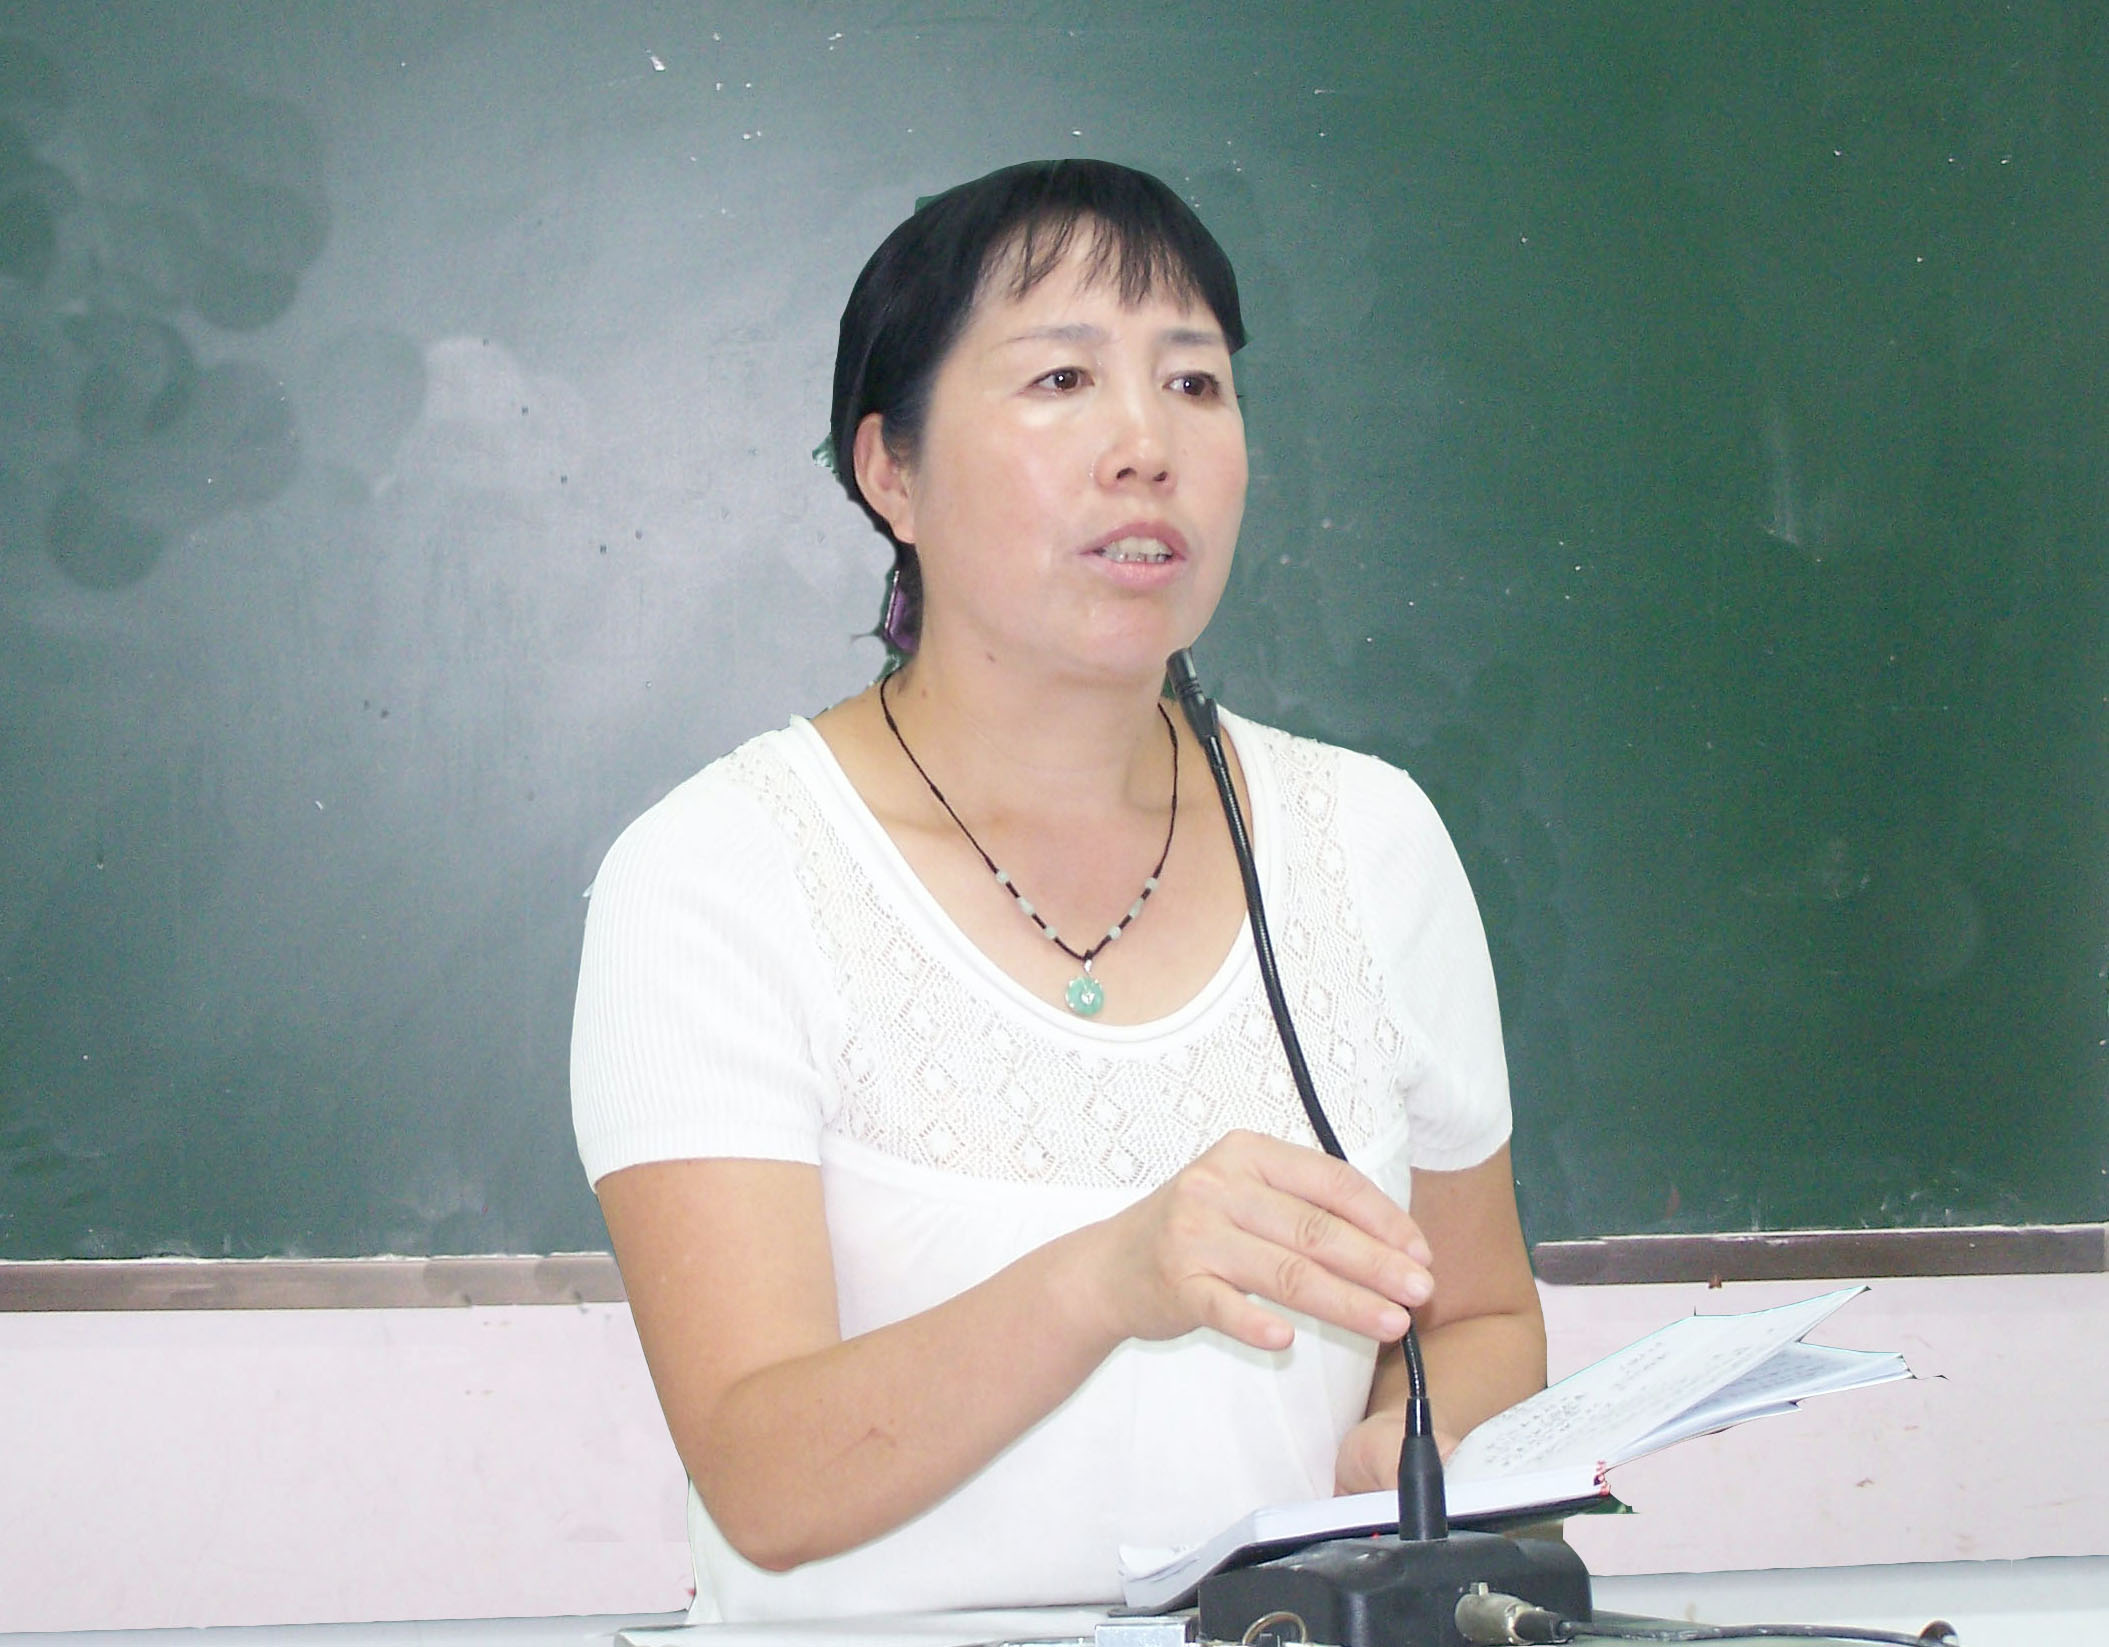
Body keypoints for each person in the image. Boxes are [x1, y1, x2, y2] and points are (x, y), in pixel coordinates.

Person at [570, 159, 1545, 1623]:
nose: (1145, 445)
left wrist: (1423, 1444)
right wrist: (1104, 1281)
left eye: (1194, 384)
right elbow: (764, 1484)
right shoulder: (719, 872)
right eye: (1062, 380)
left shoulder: (1370, 841)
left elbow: (1477, 1317)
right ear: (890, 472)